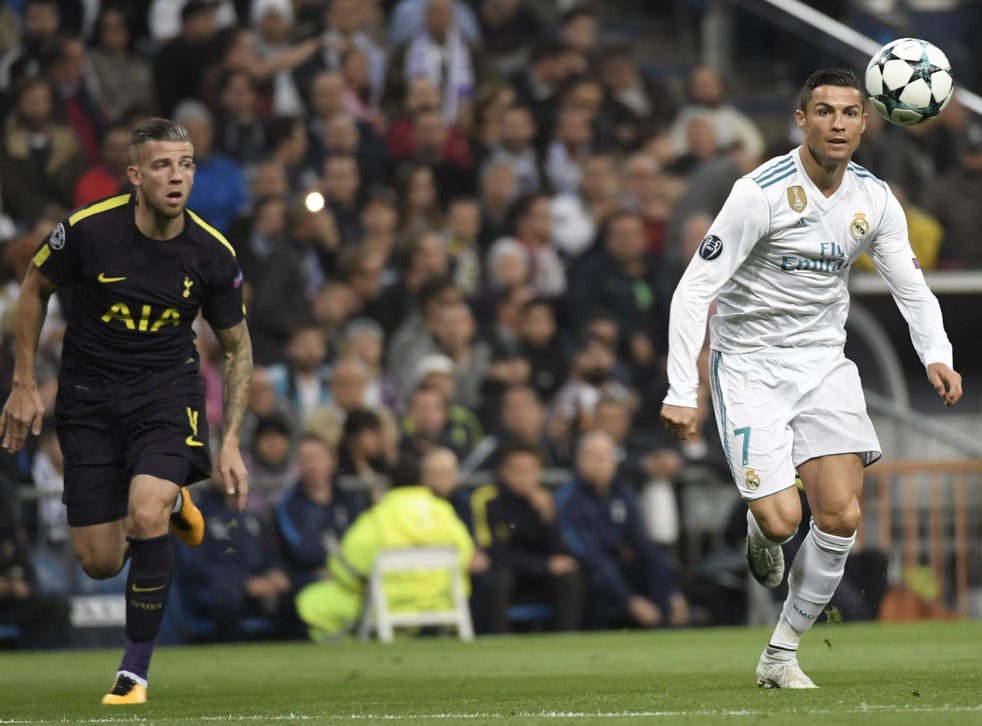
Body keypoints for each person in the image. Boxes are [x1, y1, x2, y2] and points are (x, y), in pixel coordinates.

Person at [659, 68, 963, 689]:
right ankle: (760, 523)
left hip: (824, 364)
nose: (838, 123)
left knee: (843, 515)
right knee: (779, 519)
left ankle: (780, 654)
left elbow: (910, 283)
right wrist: (680, 389)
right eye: (824, 111)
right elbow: (694, 290)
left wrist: (936, 352)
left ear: (865, 122)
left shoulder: (874, 199)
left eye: (850, 113)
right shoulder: (759, 192)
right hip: (748, 366)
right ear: (802, 120)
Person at [0, 117, 253, 704]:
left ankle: (132, 674)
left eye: (185, 164)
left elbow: (238, 346)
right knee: (98, 562)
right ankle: (177, 498)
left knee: (144, 515)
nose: (176, 176)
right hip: (88, 399)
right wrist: (24, 382)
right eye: (162, 165)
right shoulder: (88, 230)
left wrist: (232, 439)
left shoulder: (212, 253)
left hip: (166, 394)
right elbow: (35, 287)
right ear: (135, 175)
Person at [294, 456, 475, 642]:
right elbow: (465, 553)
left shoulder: (378, 515)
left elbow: (347, 567)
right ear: (422, 480)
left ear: (389, 482)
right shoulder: (442, 511)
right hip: (442, 602)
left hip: (389, 603)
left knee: (310, 602)